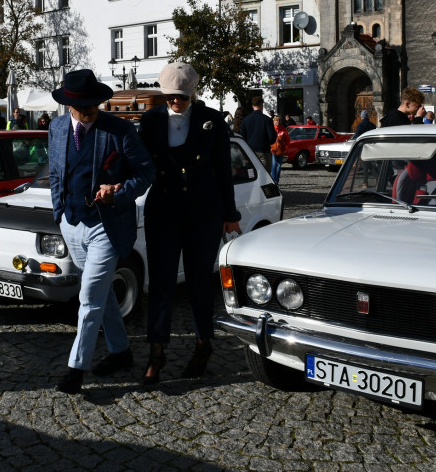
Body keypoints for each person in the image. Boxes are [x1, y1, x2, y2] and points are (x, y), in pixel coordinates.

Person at [48, 70, 154, 395]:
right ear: (69, 105)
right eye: (85, 106)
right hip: (72, 223)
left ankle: (75, 371)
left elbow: (146, 172)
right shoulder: (56, 128)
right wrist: (59, 213)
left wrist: (119, 191)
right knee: (103, 292)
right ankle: (121, 352)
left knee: (89, 297)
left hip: (106, 227)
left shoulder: (119, 130)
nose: (93, 109)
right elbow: (55, 173)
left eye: (96, 103)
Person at [139, 63, 240, 384]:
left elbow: (224, 170)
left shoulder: (211, 120)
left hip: (203, 212)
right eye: (170, 96)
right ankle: (156, 353)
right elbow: (137, 163)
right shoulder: (150, 120)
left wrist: (230, 215)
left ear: (192, 93)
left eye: (181, 97)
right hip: (163, 210)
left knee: (199, 283)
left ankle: (203, 344)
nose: (175, 102)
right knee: (161, 284)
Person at [241, 96, 276, 169]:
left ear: (252, 106)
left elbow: (242, 137)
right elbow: (272, 138)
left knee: (253, 177)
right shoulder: (267, 120)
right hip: (263, 151)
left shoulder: (245, 120)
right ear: (261, 105)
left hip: (250, 151)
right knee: (265, 177)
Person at [269, 115, 289, 185]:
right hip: (273, 150)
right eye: (276, 120)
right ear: (273, 121)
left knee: (278, 167)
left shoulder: (284, 130)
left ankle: (276, 181)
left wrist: (285, 148)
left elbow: (287, 141)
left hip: (281, 150)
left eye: (279, 120)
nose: (277, 122)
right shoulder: (272, 129)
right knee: (274, 165)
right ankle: (273, 180)